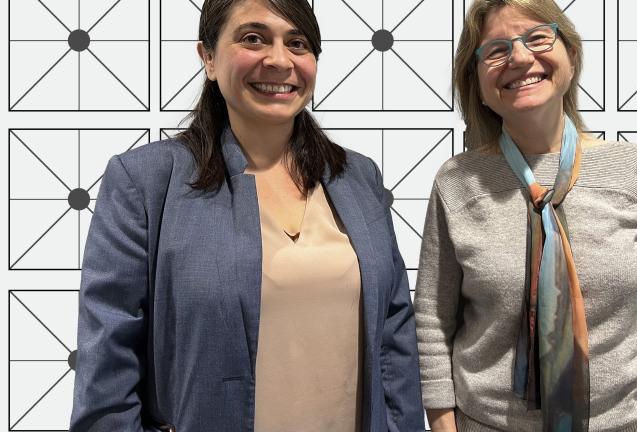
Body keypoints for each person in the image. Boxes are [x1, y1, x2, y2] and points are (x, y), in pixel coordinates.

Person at [69, 0, 423, 430]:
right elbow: (109, 359)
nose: (278, 60)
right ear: (209, 57)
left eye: (297, 43)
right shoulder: (145, 181)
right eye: (253, 38)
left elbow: (393, 331)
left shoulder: (356, 176)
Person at [414, 1, 637, 431]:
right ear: (475, 82)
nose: (518, 57)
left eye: (537, 38)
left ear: (571, 55)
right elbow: (432, 322)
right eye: (495, 50)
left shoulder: (632, 170)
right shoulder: (458, 182)